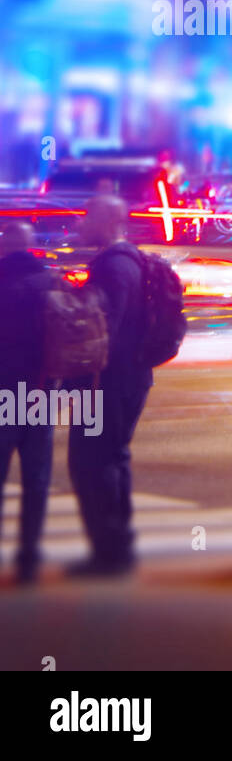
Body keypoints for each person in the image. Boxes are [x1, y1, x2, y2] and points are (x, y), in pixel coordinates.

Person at [66, 196, 153, 577]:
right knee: (114, 458)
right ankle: (118, 548)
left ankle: (109, 553)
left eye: (90, 215)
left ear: (109, 219)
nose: (83, 222)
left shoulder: (113, 267)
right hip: (130, 378)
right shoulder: (133, 261)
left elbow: (104, 329)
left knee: (91, 462)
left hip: (105, 383)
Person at [0, 223, 60, 584]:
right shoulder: (49, 282)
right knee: (36, 478)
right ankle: (29, 555)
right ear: (32, 246)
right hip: (40, 391)